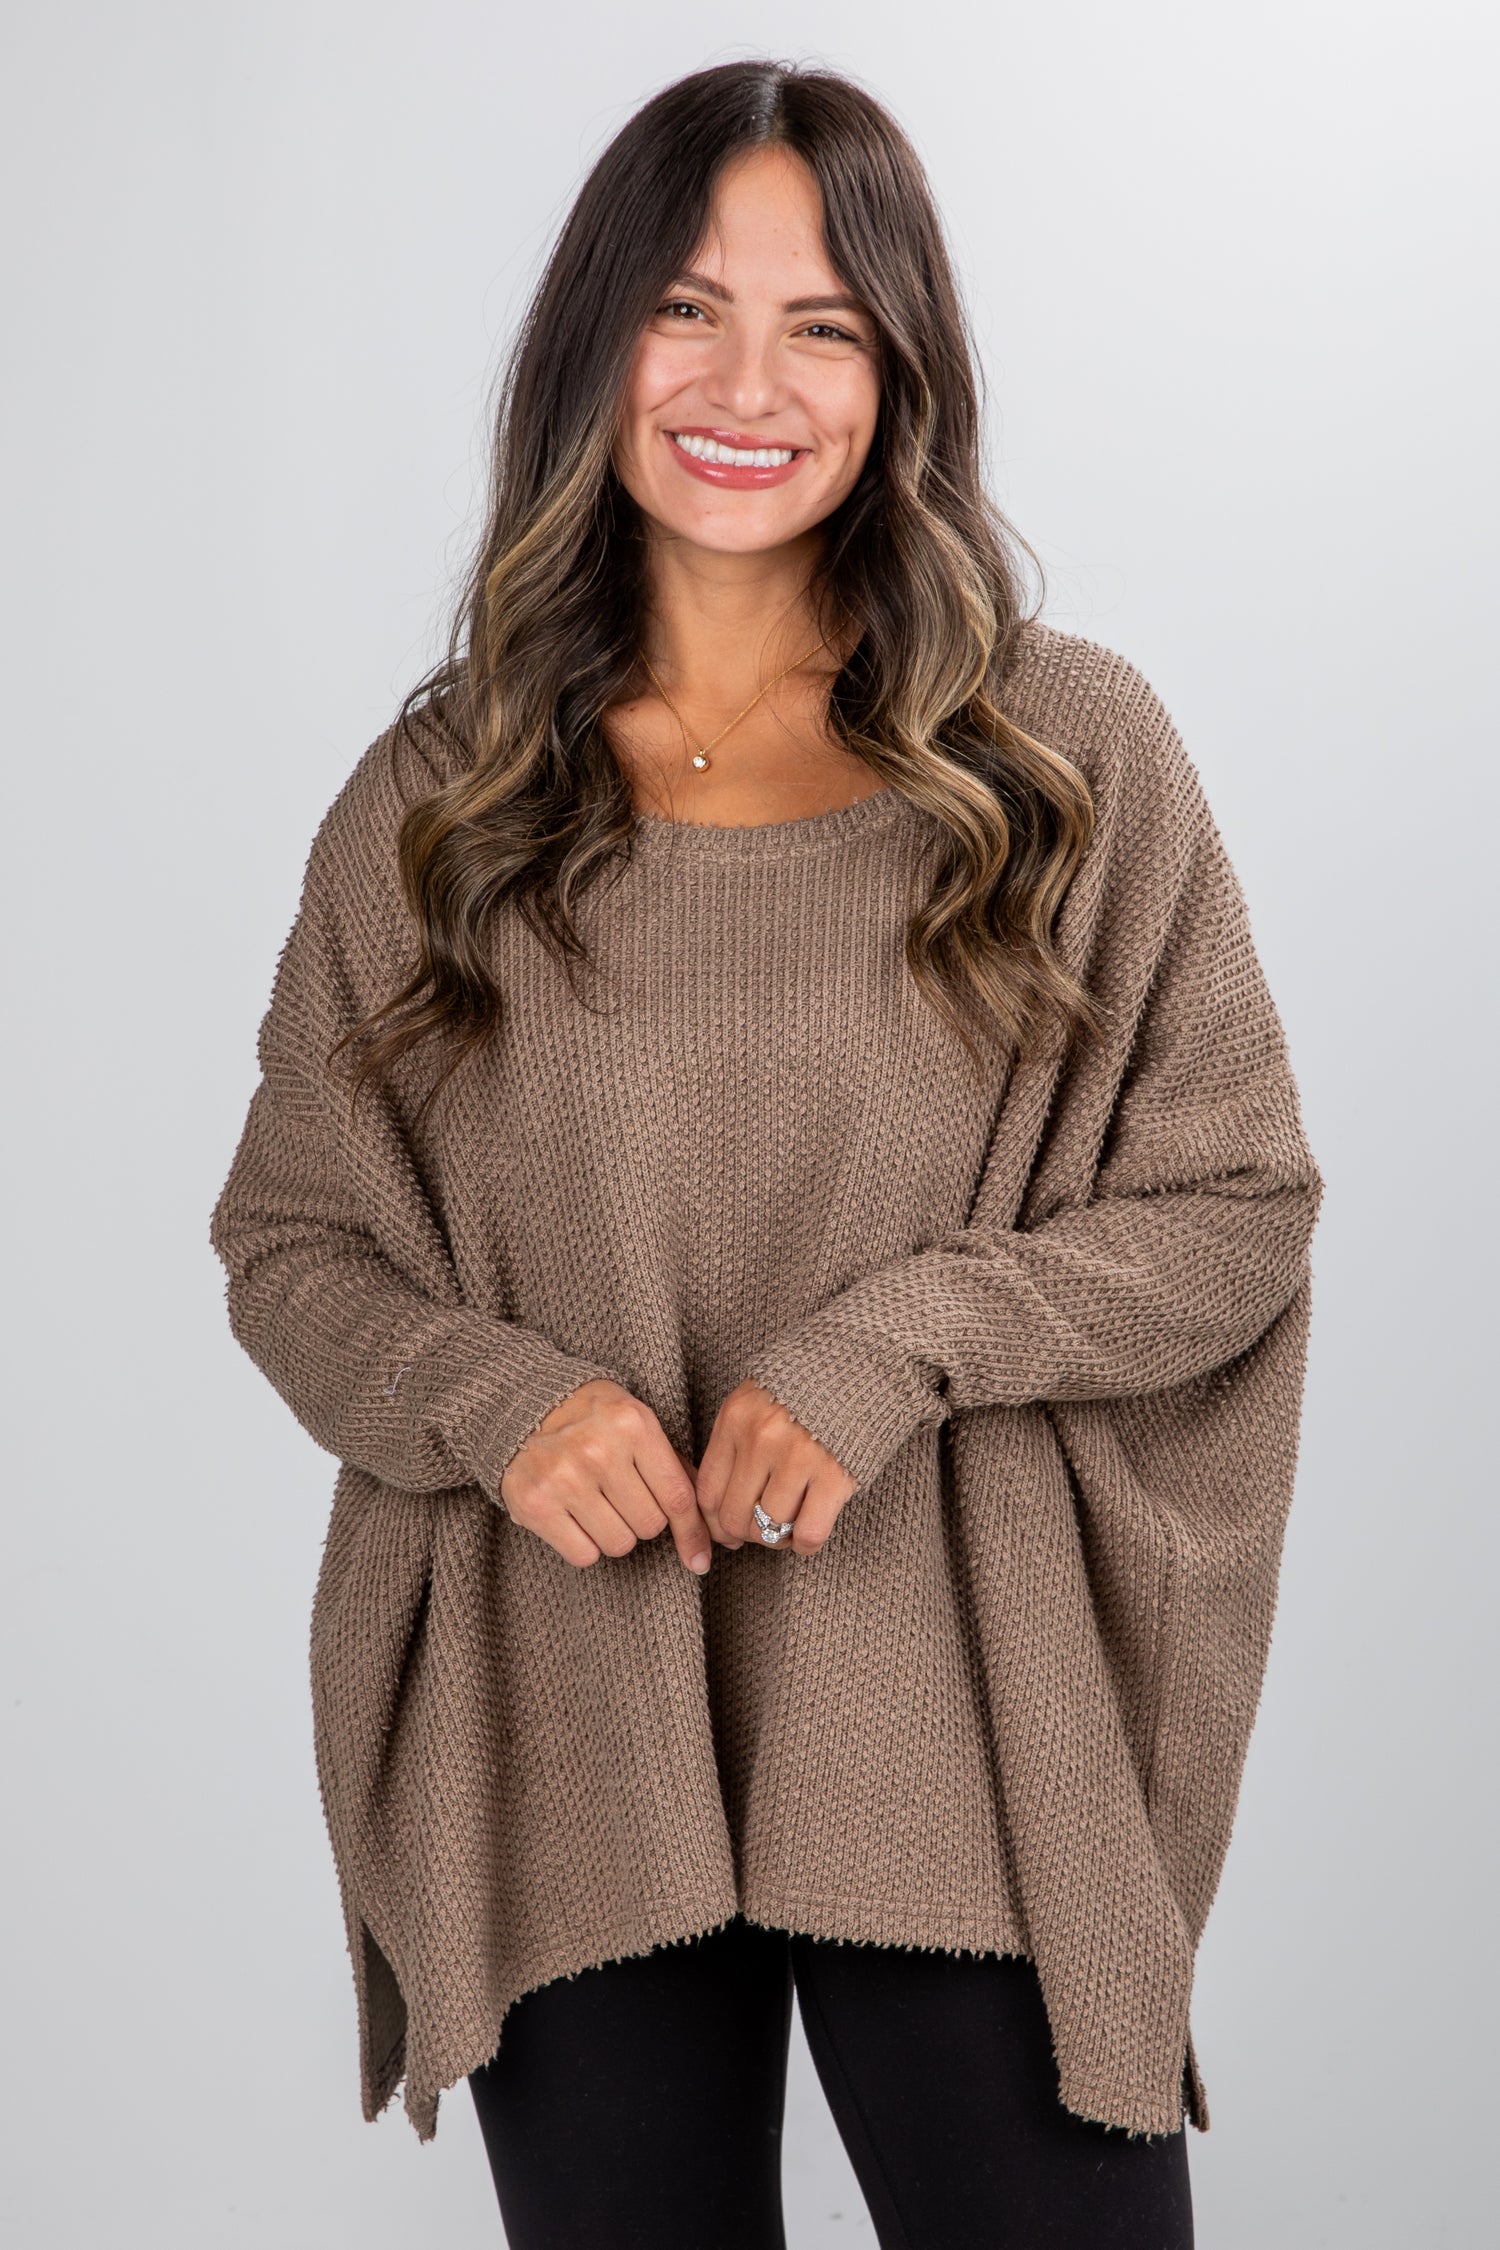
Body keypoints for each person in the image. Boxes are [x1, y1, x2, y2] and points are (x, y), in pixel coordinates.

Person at [208, 58, 1322, 2250]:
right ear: (592, 344)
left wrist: (909, 1340)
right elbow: (293, 1237)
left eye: (822, 325)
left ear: (901, 374)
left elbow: (1237, 1203)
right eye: (688, 310)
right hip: (573, 1730)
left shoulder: (1065, 756)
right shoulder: (435, 806)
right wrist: (498, 1401)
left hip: (959, 1726)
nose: (748, 383)